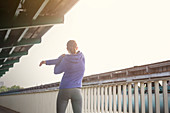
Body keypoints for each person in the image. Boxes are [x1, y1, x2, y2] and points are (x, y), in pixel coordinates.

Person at [39, 40, 85, 113]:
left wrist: (59, 58)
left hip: (65, 89)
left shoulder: (65, 59)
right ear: (77, 47)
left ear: (67, 49)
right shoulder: (82, 56)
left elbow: (56, 71)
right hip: (77, 90)